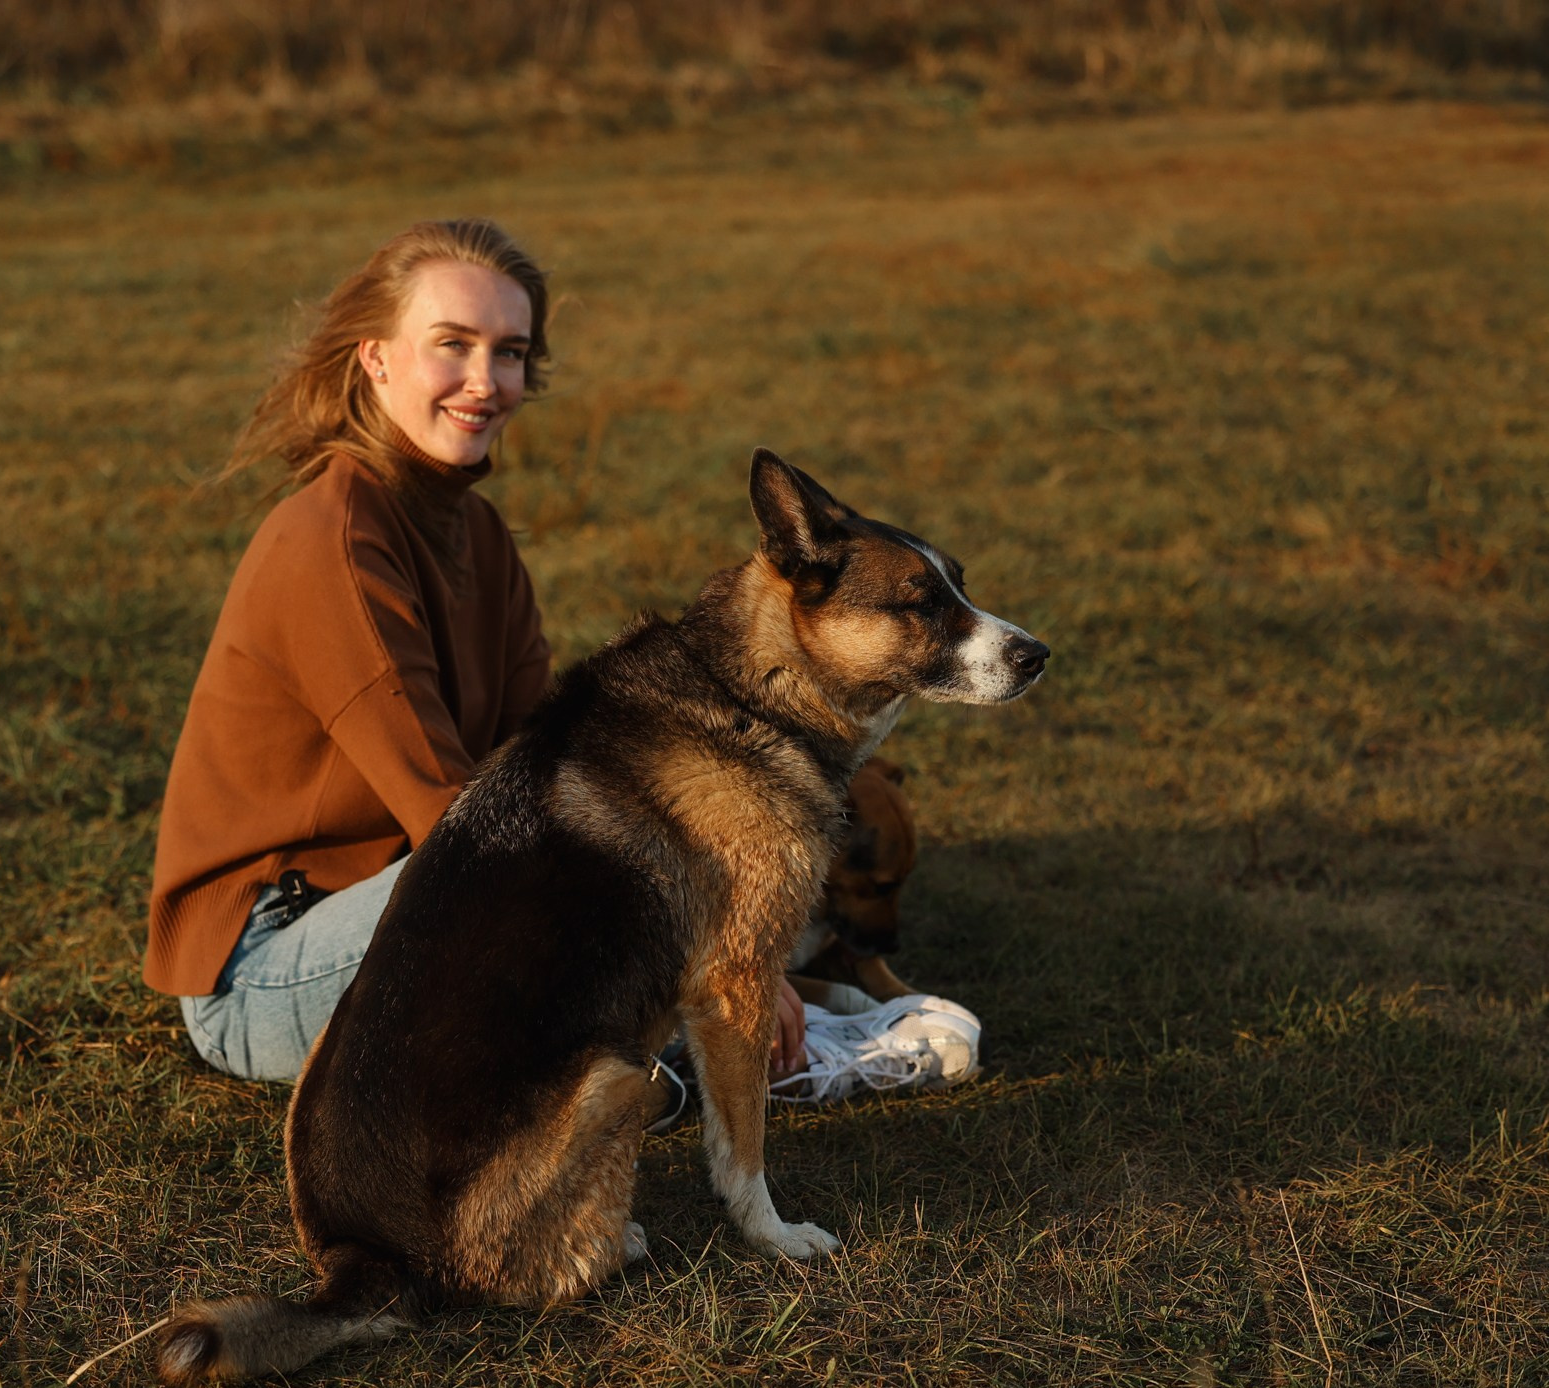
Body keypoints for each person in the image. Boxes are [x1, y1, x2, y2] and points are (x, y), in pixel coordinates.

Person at [143, 217, 977, 1111]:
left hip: (405, 896)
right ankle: (699, 1067)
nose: (484, 380)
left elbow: (550, 759)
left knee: (613, 849)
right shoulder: (334, 538)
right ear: (376, 358)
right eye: (451, 345)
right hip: (265, 966)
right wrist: (713, 932)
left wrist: (724, 910)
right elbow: (458, 826)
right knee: (574, 872)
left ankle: (724, 1036)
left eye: (509, 352)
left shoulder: (477, 535)